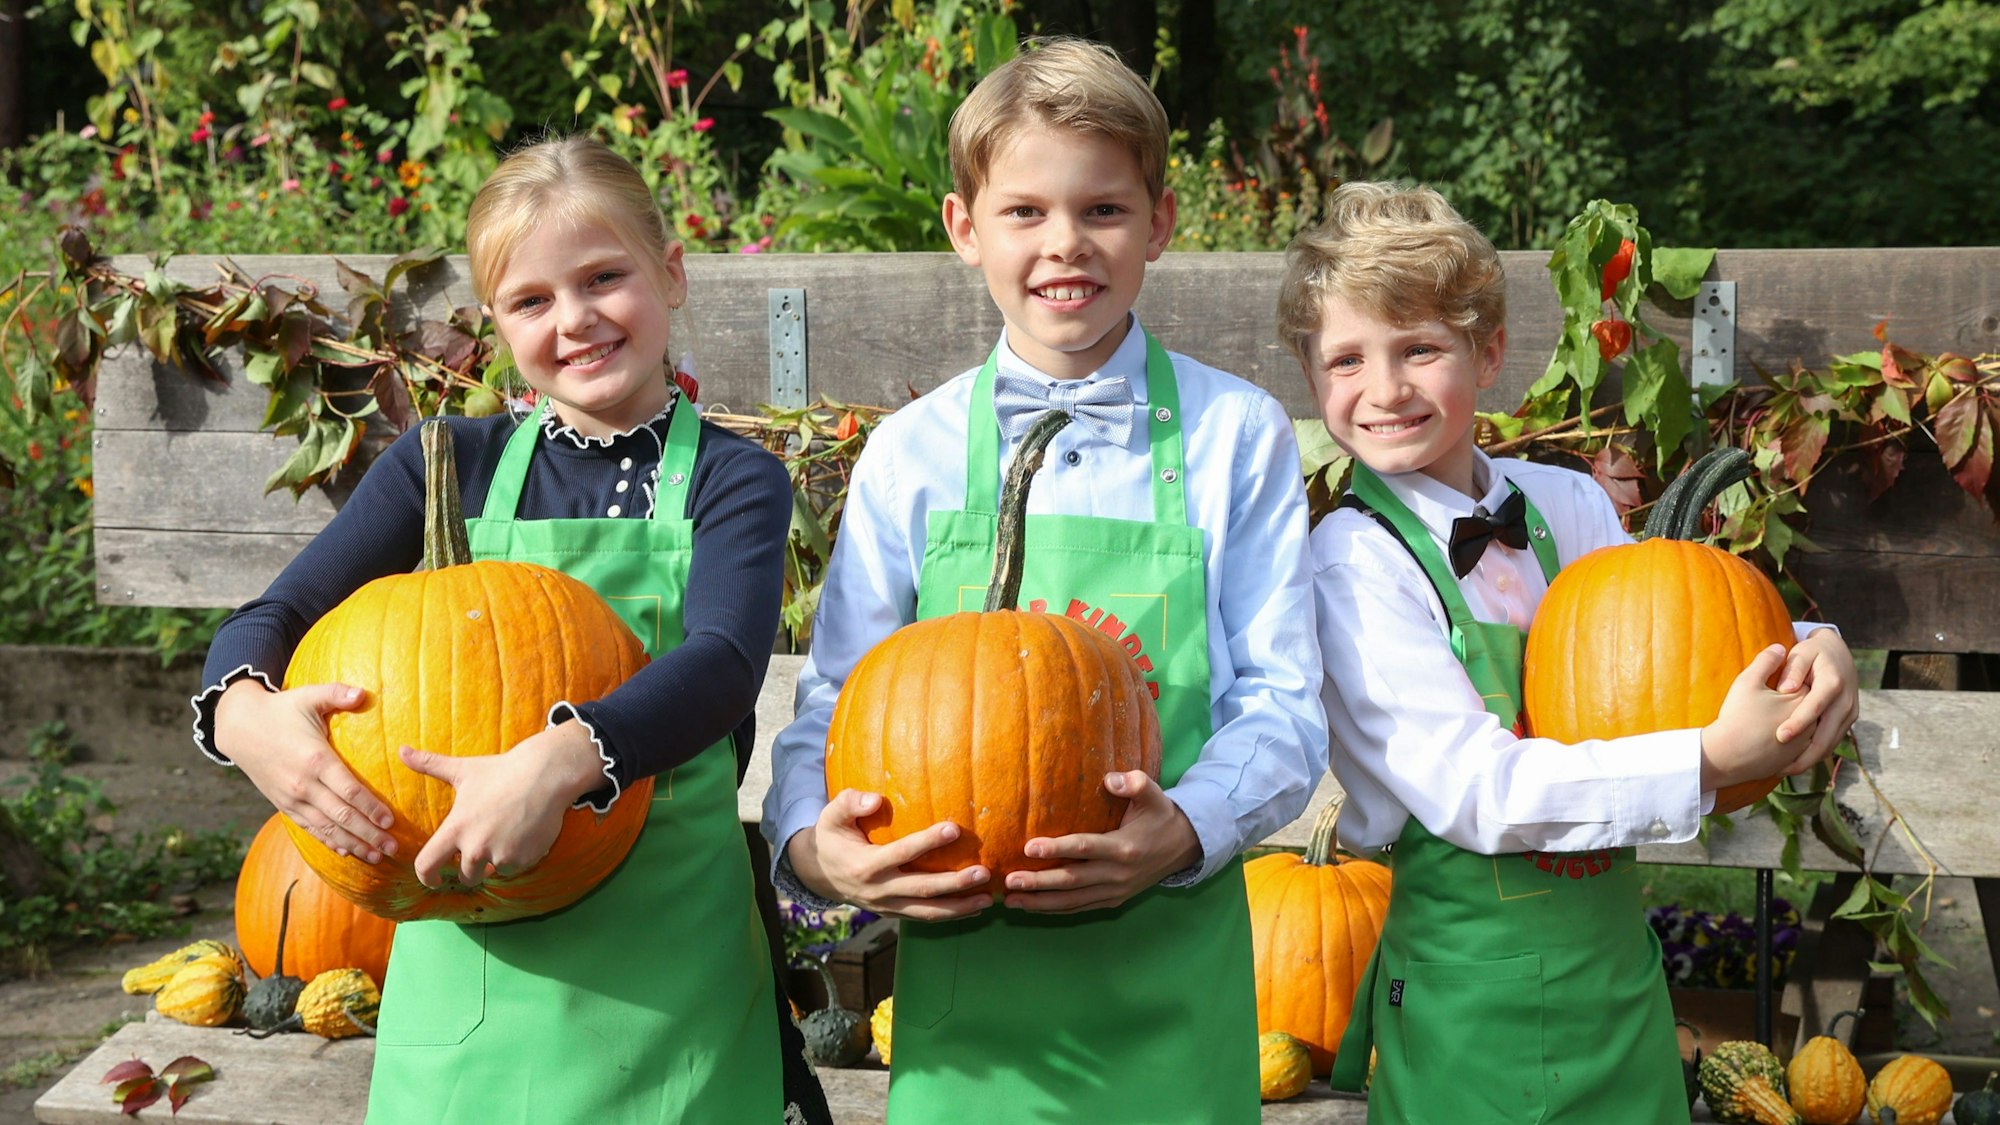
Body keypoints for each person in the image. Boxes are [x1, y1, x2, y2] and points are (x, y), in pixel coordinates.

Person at [189, 136, 831, 1124]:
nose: (573, 320)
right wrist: (241, 711)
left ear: (670, 274)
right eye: (531, 301)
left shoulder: (729, 478)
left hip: (666, 975)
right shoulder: (447, 463)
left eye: (603, 278)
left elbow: (721, 664)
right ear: (497, 324)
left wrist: (565, 757)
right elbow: (271, 618)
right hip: (464, 971)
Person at [761, 37, 1327, 1124]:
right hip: (965, 1029)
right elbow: (834, 700)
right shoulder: (911, 455)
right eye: (1023, 211)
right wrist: (810, 845)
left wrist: (1189, 829)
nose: (1064, 243)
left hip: (1174, 1006)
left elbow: (1280, 701)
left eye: (1102, 210)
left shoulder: (1234, 436)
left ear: (1157, 224)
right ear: (963, 229)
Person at [1287, 181, 1861, 1124]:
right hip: (1473, 998)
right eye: (1346, 359)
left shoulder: (1567, 505)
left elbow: (1667, 646)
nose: (1383, 388)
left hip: (1616, 980)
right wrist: (1711, 758)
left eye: (1420, 348)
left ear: (1489, 352)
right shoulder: (1351, 562)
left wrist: (1813, 646)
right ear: (1314, 379)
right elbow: (1479, 793)